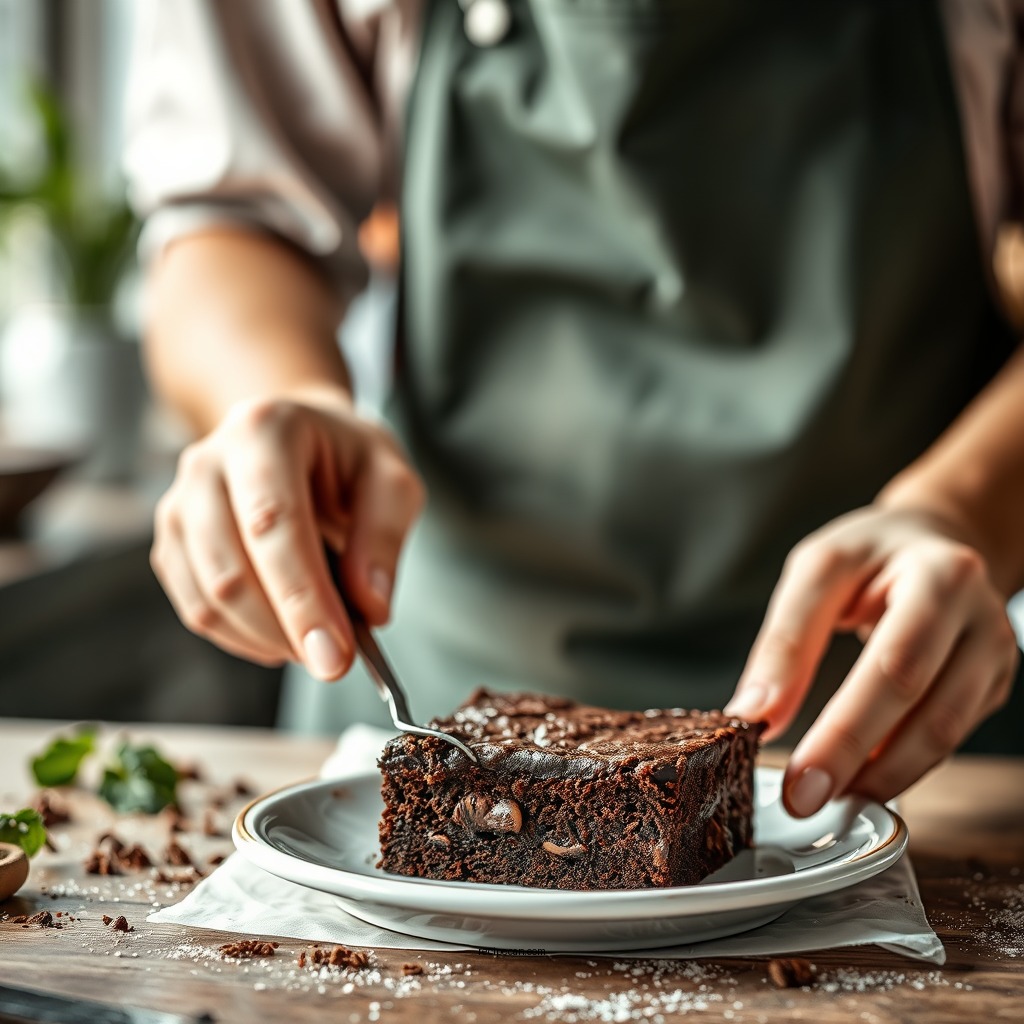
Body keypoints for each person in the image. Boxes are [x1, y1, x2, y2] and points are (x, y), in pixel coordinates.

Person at [124, 0, 1024, 820]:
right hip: (433, 651)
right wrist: (278, 401)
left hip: (898, 721)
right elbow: (232, 218)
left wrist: (959, 512)